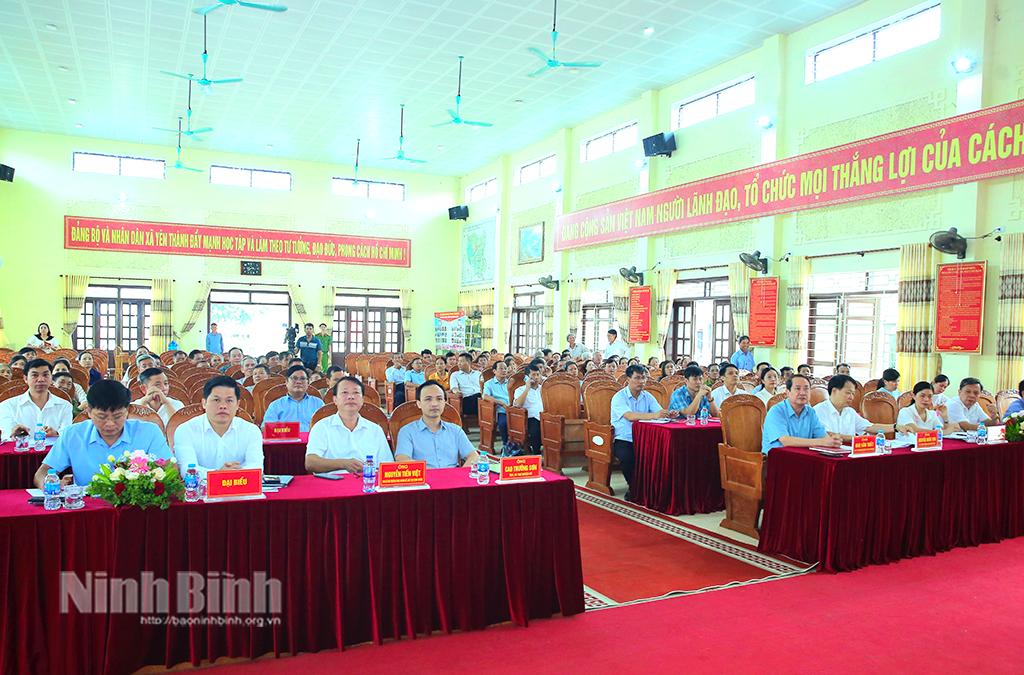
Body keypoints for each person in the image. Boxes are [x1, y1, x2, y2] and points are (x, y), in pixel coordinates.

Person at [34, 380, 171, 488]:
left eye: (117, 416)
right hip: (88, 511)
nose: (110, 424)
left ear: (128, 411)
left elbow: (171, 469)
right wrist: (49, 485)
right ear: (88, 411)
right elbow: (43, 472)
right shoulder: (73, 434)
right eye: (102, 417)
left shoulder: (149, 432)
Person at [173, 376, 264, 478]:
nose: (223, 406)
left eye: (229, 401)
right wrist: (218, 474)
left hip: (241, 489)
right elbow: (188, 470)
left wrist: (230, 475)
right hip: (202, 491)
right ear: (204, 403)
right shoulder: (185, 430)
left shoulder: (251, 431)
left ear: (238, 404)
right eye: (216, 400)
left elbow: (257, 467)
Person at [610, 365, 677, 499]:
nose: (641, 381)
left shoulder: (648, 396)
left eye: (644, 378)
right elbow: (630, 416)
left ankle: (654, 489)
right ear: (628, 379)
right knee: (628, 457)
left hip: (645, 438)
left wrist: (667, 414)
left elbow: (658, 412)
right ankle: (635, 489)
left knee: (663, 454)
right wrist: (654, 415)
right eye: (637, 378)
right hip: (624, 438)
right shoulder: (619, 397)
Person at [305, 377, 392, 474]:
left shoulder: (375, 430)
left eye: (356, 393)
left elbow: (387, 466)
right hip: (331, 485)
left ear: (362, 400)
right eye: (345, 393)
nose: (351, 397)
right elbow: (310, 463)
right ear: (335, 400)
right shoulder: (321, 427)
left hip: (367, 484)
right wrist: (343, 464)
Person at [394, 381, 479, 469]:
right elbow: (402, 459)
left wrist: (461, 474)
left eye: (439, 399)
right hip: (423, 479)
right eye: (428, 399)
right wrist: (433, 474)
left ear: (444, 402)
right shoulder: (407, 431)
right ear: (419, 404)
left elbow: (473, 456)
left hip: (453, 479)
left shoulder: (455, 430)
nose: (434, 404)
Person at [762, 374, 840, 454]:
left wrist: (833, 441)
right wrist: (821, 442)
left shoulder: (810, 412)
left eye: (806, 389)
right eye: (797, 389)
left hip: (803, 457)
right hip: (777, 459)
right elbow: (785, 441)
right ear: (787, 392)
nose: (802, 393)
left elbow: (823, 436)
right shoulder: (776, 411)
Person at [0, 359, 73, 439]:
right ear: (25, 379)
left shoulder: (65, 405)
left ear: (51, 378)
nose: (41, 379)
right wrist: (15, 433)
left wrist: (55, 433)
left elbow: (67, 434)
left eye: (45, 375)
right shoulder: (7, 406)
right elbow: (7, 435)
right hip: (22, 450)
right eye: (35, 375)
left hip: (54, 450)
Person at [814, 374, 898, 441]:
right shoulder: (818, 411)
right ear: (834, 391)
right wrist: (858, 439)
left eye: (853, 394)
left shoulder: (850, 412)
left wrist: (895, 427)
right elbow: (828, 434)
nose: (851, 397)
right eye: (848, 393)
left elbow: (870, 427)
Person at [262, 365, 324, 432]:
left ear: (308, 383)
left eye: (302, 378)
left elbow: (325, 427)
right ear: (286, 382)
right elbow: (267, 428)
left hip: (313, 441)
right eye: (294, 378)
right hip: (284, 441)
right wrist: (289, 431)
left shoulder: (318, 403)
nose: (298, 382)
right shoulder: (275, 405)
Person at [513, 364, 544, 454]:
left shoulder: (543, 389)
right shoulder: (520, 390)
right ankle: (536, 453)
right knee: (535, 429)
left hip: (544, 416)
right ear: (527, 377)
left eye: (538, 374)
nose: (536, 377)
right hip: (529, 418)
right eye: (533, 375)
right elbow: (517, 405)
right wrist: (527, 388)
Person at [481, 361, 511, 446]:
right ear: (494, 371)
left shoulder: (510, 383)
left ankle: (517, 445)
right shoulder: (489, 384)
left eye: (505, 368)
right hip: (500, 410)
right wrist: (500, 403)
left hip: (513, 408)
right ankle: (506, 445)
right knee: (503, 423)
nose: (504, 371)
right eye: (501, 368)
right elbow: (485, 396)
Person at [449, 352, 481, 417]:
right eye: (458, 361)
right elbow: (454, 388)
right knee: (480, 397)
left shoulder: (478, 374)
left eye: (461, 361)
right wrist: (457, 392)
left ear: (469, 362)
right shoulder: (455, 375)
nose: (459, 363)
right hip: (466, 400)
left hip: (480, 398)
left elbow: (484, 386)